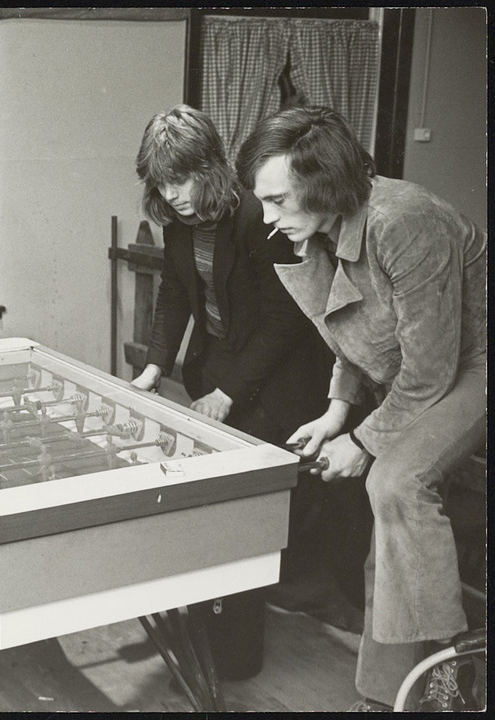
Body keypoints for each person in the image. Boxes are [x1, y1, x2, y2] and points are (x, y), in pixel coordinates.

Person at [236, 105, 486, 712]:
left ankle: (453, 662)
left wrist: (364, 442)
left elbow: (430, 372)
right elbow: (355, 331)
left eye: (276, 200)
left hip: (473, 365)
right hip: (423, 372)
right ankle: (386, 696)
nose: (267, 218)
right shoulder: (328, 228)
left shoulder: (405, 220)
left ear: (322, 182)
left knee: (395, 483)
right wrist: (335, 412)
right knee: (392, 527)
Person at [131, 106, 333, 680]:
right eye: (162, 183)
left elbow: (284, 321)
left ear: (211, 167)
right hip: (225, 364)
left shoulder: (255, 217)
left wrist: (228, 391)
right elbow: (175, 292)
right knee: (219, 511)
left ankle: (235, 646)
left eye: (182, 179)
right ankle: (212, 624)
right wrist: (154, 367)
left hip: (280, 379)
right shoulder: (177, 222)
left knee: (239, 511)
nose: (173, 194)